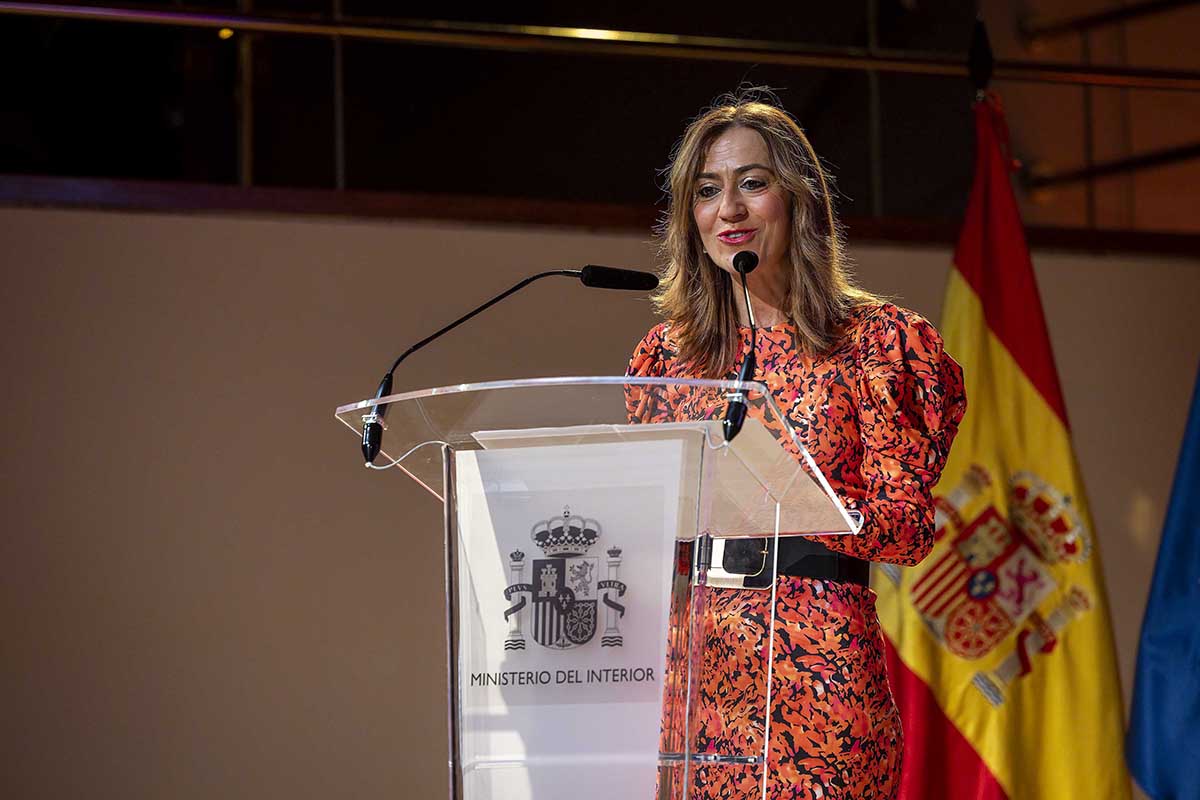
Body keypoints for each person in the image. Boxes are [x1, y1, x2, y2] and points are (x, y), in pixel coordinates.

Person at [626, 92, 967, 799]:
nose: (729, 210)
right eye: (707, 191)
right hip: (700, 674)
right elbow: (647, 523)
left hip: (820, 670)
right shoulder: (667, 358)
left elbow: (905, 528)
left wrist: (794, 500)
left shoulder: (878, 343)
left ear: (798, 199)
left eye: (752, 183)